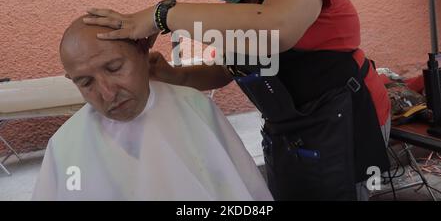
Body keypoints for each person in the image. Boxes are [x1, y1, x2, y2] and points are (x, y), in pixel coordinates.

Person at [83, 0, 391, 200]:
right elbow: (224, 71)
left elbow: (277, 30)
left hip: (345, 119)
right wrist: (169, 74)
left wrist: (162, 15)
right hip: (291, 130)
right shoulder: (246, 2)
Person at [32, 16, 273, 201]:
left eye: (114, 68)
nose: (107, 93)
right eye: (85, 82)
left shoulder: (194, 108)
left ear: (143, 53)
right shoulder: (65, 145)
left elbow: (246, 190)